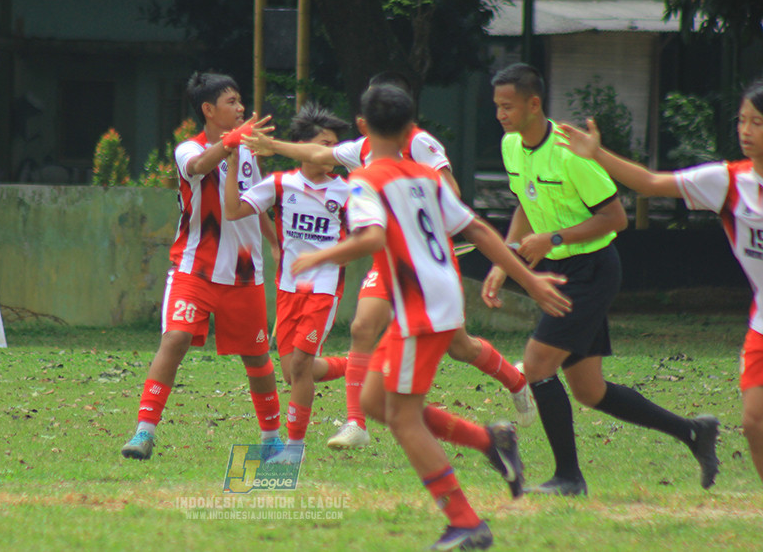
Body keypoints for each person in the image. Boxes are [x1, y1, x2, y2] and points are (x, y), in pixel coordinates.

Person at [292, 83, 572, 550]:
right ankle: (490, 440)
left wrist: (322, 256)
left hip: (420, 305)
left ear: (361, 127)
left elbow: (372, 238)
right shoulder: (425, 176)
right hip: (436, 298)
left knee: (402, 419)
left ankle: (466, 522)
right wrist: (530, 279)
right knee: (376, 403)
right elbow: (478, 227)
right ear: (409, 130)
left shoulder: (366, 178)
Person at [245, 73, 537, 452]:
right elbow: (318, 155)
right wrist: (271, 145)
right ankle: (357, 423)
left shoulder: (419, 145)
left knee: (459, 348)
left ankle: (514, 382)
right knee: (364, 327)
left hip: (425, 264)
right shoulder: (363, 151)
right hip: (389, 262)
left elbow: (452, 196)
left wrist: (407, 213)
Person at [483, 62, 720, 495]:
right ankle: (693, 432)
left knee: (537, 365)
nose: (500, 114)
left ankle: (569, 478)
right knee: (590, 390)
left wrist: (553, 236)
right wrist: (505, 259)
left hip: (592, 270)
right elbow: (523, 204)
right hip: (559, 271)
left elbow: (615, 218)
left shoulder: (570, 152)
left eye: (508, 106)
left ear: (534, 104)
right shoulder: (510, 146)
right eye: (497, 106)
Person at [558, 78, 763, 486]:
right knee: (754, 421)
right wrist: (597, 154)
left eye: (757, 123)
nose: (745, 131)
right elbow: (650, 184)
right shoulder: (728, 181)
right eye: (742, 120)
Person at [121, 71, 282, 460]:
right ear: (208, 110)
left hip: (245, 274)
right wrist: (231, 142)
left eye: (241, 101)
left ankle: (272, 439)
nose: (241, 108)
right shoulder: (186, 150)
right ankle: (143, 432)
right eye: (232, 102)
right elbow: (201, 166)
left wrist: (278, 246)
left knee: (257, 356)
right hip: (195, 267)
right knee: (174, 339)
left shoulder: (246, 152)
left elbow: (256, 201)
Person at [224, 103, 352, 464]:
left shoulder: (347, 191)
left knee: (299, 367)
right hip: (286, 289)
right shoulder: (281, 184)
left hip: (324, 288)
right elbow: (233, 211)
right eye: (324, 144)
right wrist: (233, 160)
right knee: (295, 370)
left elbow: (366, 236)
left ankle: (294, 449)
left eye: (334, 145)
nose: (330, 153)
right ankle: (357, 365)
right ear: (302, 146)